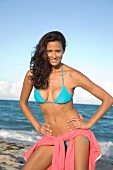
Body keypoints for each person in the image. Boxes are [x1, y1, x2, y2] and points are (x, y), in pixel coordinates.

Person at [20, 31, 113, 170]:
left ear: (64, 50)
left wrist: (87, 124)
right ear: (43, 51)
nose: (54, 55)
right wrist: (37, 126)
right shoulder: (33, 75)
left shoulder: (72, 75)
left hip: (76, 135)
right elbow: (23, 103)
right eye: (49, 51)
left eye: (58, 51)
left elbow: (108, 99)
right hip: (52, 137)